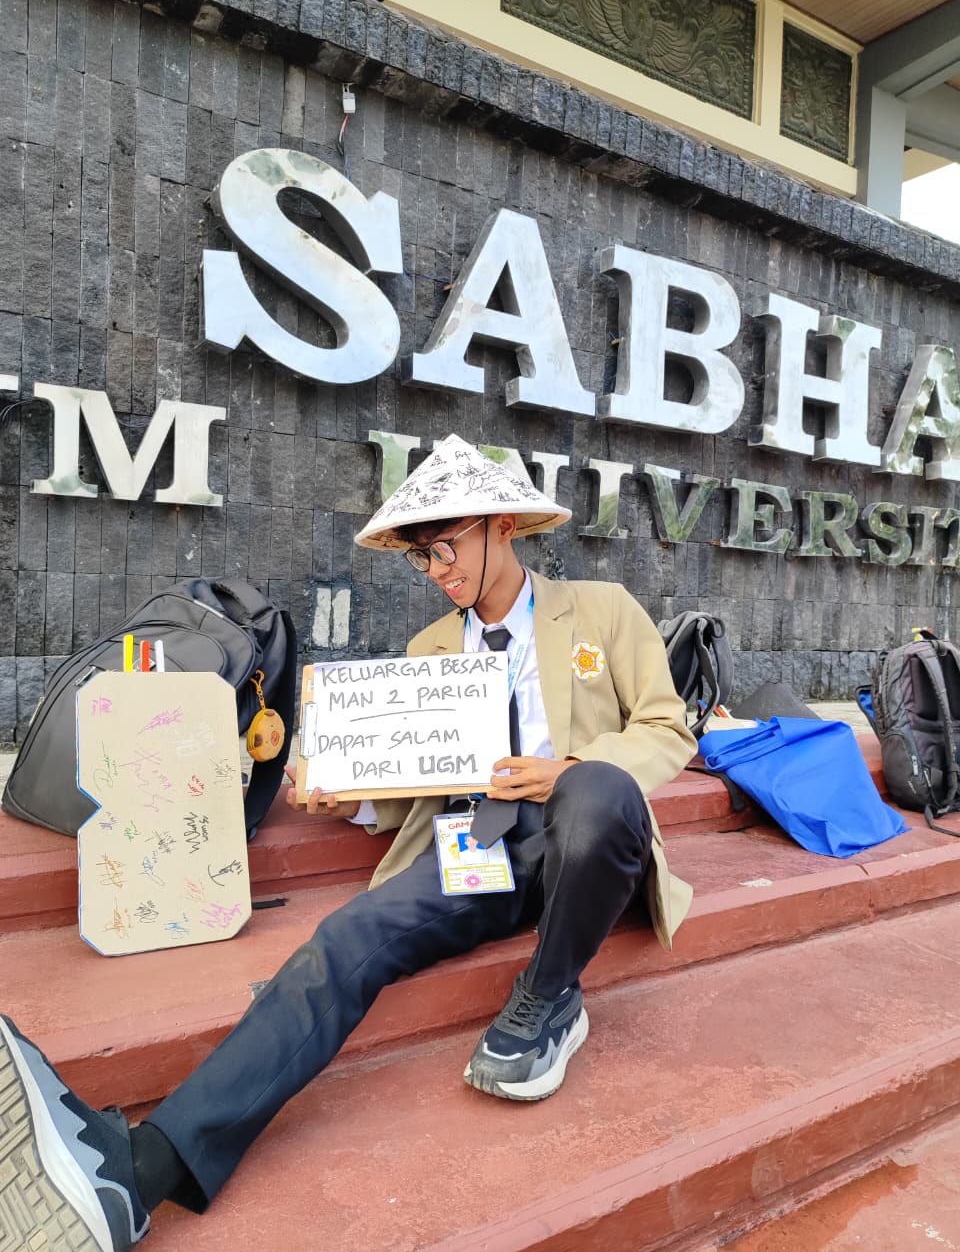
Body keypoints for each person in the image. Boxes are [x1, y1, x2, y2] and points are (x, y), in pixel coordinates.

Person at [0, 434, 696, 1252]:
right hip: (470, 845)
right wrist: (347, 797)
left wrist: (567, 769)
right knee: (343, 940)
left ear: (502, 526)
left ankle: (548, 999)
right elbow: (411, 784)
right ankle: (139, 1173)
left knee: (598, 788)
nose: (437, 571)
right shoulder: (428, 652)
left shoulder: (604, 609)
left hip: (582, 839)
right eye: (420, 559)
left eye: (444, 549)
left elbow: (666, 729)